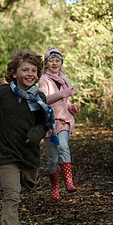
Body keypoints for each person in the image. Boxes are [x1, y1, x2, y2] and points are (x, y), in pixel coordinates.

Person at [0, 49, 57, 225]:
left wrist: (35, 134)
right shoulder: (2, 92)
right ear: (14, 73)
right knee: (12, 196)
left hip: (28, 153)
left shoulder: (38, 97)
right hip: (7, 153)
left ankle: (31, 178)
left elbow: (44, 124)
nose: (30, 74)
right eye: (25, 70)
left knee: (30, 183)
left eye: (33, 70)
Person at [38, 47, 80, 201]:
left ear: (61, 63)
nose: (55, 63)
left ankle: (69, 182)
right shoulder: (44, 80)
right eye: (51, 61)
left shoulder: (65, 79)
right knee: (53, 158)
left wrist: (72, 107)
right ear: (46, 64)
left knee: (63, 146)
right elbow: (44, 100)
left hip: (64, 120)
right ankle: (55, 185)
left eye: (57, 60)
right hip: (50, 122)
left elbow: (65, 102)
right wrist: (64, 93)